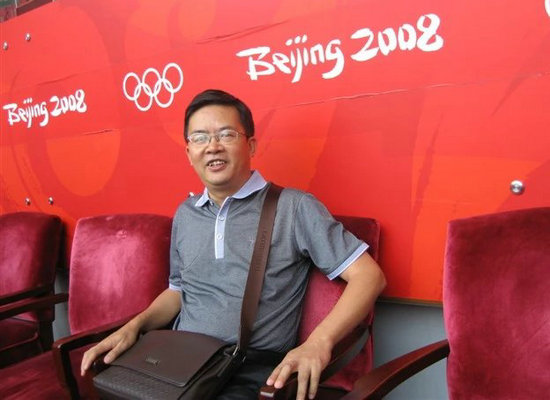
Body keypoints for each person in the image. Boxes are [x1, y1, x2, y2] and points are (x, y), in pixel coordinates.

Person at [81, 89, 386, 400]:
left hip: (246, 370)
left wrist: (319, 342)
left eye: (226, 134)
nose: (212, 146)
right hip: (177, 364)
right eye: (200, 138)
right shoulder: (186, 213)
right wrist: (134, 326)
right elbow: (178, 291)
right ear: (189, 152)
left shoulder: (293, 207)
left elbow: (369, 277)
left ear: (250, 145)